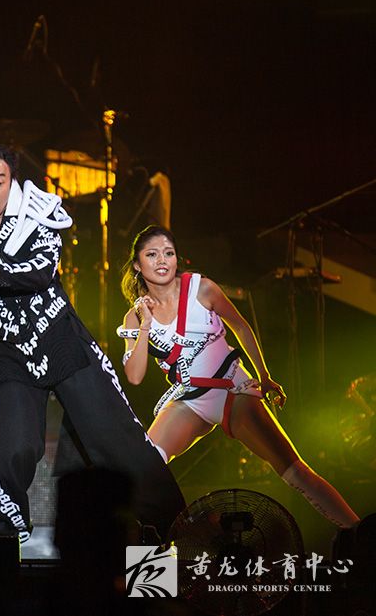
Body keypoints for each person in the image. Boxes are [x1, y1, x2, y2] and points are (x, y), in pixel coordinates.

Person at [0, 136, 185, 543]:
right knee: (16, 451)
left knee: (119, 441)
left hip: (61, 341)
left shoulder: (39, 214)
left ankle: (179, 539)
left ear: (12, 181)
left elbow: (42, 272)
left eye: (0, 181)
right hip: (8, 355)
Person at [118, 225, 359, 529]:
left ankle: (360, 535)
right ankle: (170, 552)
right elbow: (134, 376)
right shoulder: (135, 316)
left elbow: (241, 327)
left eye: (169, 253)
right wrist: (144, 325)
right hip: (190, 400)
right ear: (137, 265)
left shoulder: (202, 290)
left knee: (295, 472)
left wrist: (264, 376)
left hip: (233, 389)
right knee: (143, 469)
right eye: (152, 254)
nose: (162, 260)